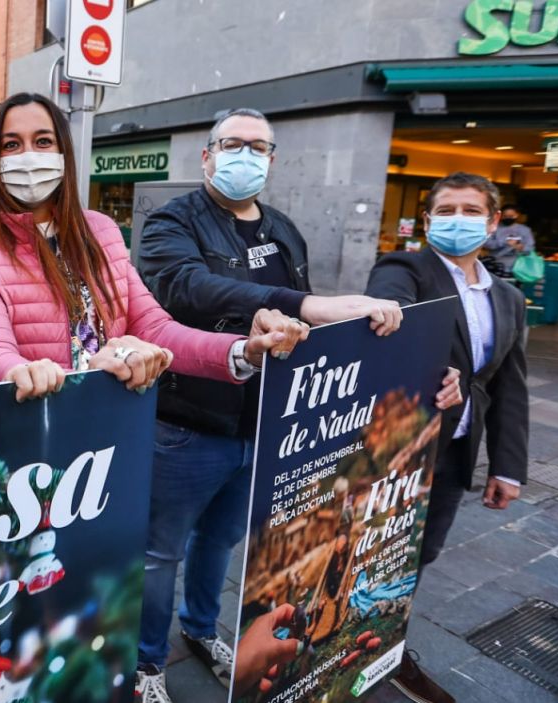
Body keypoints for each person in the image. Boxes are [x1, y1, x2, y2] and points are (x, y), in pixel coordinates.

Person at [132, 107, 432, 700]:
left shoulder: (283, 228)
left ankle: (198, 629)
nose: (246, 155)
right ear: (208, 154)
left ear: (272, 159)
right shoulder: (173, 223)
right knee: (158, 552)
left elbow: (308, 319)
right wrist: (296, 302)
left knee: (219, 541)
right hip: (188, 423)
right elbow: (183, 287)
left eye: (259, 147)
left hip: (264, 424)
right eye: (233, 144)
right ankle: (146, 663)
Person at [0, 93, 309, 416]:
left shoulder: (101, 231)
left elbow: (154, 327)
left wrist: (243, 352)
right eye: (12, 145)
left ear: (63, 154)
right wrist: (30, 372)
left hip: (116, 424)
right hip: (38, 434)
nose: (28, 156)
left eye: (43, 141)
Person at [366, 172, 528, 703]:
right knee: (373, 555)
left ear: (494, 221)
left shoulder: (507, 297)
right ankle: (343, 656)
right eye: (447, 210)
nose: (458, 219)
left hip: (455, 454)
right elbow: (392, 322)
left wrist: (507, 468)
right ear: (428, 220)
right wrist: (427, 364)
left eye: (470, 209)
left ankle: (389, 646)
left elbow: (508, 385)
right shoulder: (404, 268)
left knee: (420, 557)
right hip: (397, 450)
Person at [483, 204, 535, 274]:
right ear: (501, 216)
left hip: (518, 267)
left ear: (517, 215)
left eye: (511, 216)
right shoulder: (494, 228)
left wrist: (521, 247)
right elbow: (487, 244)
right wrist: (504, 242)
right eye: (505, 216)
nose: (508, 218)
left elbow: (530, 248)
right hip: (496, 265)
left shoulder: (525, 230)